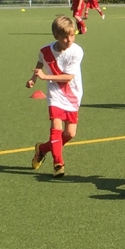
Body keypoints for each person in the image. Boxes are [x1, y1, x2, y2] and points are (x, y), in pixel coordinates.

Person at [26, 16, 84, 178]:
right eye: (65, 37)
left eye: (72, 35)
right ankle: (58, 164)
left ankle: (42, 149)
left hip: (72, 94)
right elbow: (40, 61)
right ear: (56, 36)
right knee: (56, 128)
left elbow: (68, 77)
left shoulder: (76, 51)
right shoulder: (45, 50)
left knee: (70, 133)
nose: (69, 40)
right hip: (55, 94)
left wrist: (45, 77)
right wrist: (33, 78)